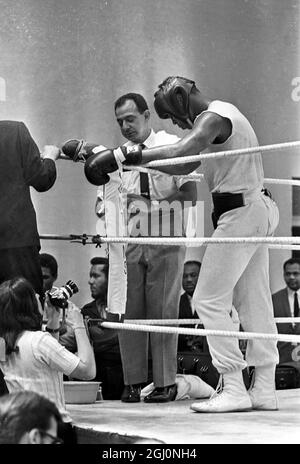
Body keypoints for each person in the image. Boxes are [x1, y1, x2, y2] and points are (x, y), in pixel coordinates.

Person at [84, 77, 280, 412]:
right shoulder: (213, 126)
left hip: (242, 214)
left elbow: (182, 150)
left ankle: (233, 385)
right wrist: (121, 159)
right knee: (253, 301)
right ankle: (264, 386)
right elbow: (184, 161)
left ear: (179, 97)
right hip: (253, 209)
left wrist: (124, 156)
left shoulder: (214, 116)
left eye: (174, 116)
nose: (176, 123)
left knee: (207, 298)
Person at [113, 93, 197, 403]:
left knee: (163, 310)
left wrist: (155, 210)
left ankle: (165, 383)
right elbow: (109, 200)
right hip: (131, 235)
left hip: (166, 231)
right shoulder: (119, 156)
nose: (125, 126)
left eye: (130, 119)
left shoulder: (171, 143)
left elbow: (190, 194)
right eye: (120, 121)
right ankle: (133, 382)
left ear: (147, 115)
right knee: (129, 310)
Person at [0, 277, 96, 443]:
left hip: (20, 429)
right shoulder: (39, 341)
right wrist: (79, 325)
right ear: (28, 305)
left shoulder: (4, 344)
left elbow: (46, 363)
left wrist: (52, 321)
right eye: (35, 296)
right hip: (53, 428)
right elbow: (87, 371)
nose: (40, 297)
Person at [0, 121, 60, 297]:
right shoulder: (14, 131)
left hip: (17, 241)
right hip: (18, 241)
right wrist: (50, 157)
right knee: (27, 307)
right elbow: (42, 180)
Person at [81, 257, 124, 400]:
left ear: (111, 279)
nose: (90, 281)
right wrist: (122, 334)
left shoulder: (126, 309)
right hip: (99, 382)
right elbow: (96, 342)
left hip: (124, 382)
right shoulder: (87, 310)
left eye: (96, 276)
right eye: (90, 276)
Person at [272, 258, 300, 364]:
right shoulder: (274, 299)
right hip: (282, 361)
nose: (291, 277)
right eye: (288, 274)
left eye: (295, 273)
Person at [178, 260, 209, 352]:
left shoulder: (212, 303)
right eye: (184, 276)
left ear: (202, 277)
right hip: (181, 356)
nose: (189, 280)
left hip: (209, 357)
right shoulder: (175, 303)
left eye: (193, 275)